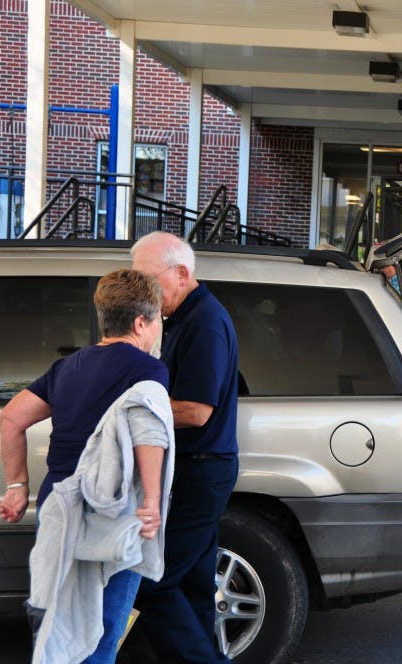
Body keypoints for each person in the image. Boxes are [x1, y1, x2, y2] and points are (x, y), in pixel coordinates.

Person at [0, 268, 173, 663]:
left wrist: (17, 486)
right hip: (110, 511)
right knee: (102, 630)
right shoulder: (148, 370)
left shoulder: (67, 367)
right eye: (158, 321)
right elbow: (149, 431)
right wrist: (151, 500)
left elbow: (12, 418)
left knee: (60, 626)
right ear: (141, 322)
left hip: (58, 506)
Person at [130, 231, 240, 663]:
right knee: (193, 586)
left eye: (147, 280)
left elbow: (195, 411)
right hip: (192, 467)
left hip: (201, 469)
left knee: (150, 583)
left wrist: (126, 409)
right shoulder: (178, 317)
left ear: (181, 273)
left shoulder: (204, 322)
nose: (142, 292)